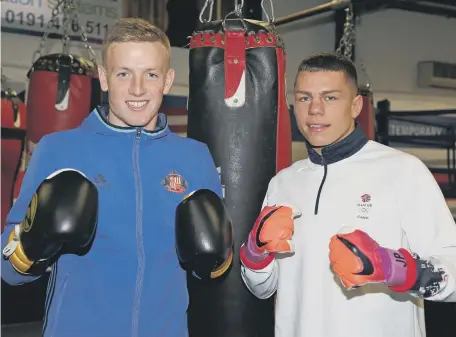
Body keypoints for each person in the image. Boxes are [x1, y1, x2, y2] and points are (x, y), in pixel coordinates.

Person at [1, 18, 229, 337]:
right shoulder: (58, 150)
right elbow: (7, 269)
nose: (137, 89)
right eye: (124, 74)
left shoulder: (194, 157)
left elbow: (212, 268)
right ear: (104, 78)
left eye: (150, 74)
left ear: (167, 80)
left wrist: (217, 257)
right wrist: (30, 243)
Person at [239, 52, 456, 337]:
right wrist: (256, 253)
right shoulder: (283, 182)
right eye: (304, 98)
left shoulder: (404, 171)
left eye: (330, 98)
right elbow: (263, 288)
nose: (315, 109)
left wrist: (394, 267)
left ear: (355, 106)